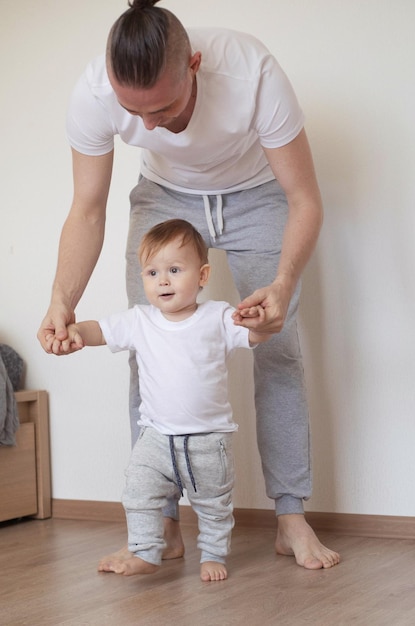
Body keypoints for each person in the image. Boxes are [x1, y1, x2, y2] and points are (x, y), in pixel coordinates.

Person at [38, 0, 340, 569]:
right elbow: (87, 208)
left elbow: (304, 198)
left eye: (164, 107)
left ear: (195, 64)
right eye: (136, 112)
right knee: (146, 347)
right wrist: (62, 301)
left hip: (257, 192)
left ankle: (291, 518)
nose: (150, 126)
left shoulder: (252, 73)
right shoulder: (94, 94)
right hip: (166, 196)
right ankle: (162, 527)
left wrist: (281, 282)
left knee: (278, 346)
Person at [49, 219, 270, 581]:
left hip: (208, 439)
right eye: (152, 272)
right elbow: (101, 330)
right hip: (155, 437)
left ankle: (213, 554)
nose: (162, 280)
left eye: (174, 270)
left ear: (202, 276)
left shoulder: (217, 316)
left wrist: (259, 321)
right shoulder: (140, 320)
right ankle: (147, 550)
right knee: (138, 491)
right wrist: (74, 332)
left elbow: (255, 336)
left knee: (213, 504)